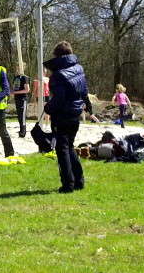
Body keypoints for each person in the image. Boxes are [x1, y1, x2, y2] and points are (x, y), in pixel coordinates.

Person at [44, 41, 87, 193]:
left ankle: (68, 184)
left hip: (62, 115)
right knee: (69, 147)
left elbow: (59, 99)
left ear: (57, 56)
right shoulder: (79, 69)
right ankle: (79, 181)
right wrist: (87, 106)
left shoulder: (57, 75)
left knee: (62, 150)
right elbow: (84, 91)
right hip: (75, 113)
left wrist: (48, 108)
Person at [11, 62, 30, 137]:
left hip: (23, 99)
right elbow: (15, 87)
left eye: (20, 67)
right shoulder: (16, 77)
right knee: (19, 115)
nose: (18, 68)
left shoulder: (24, 77)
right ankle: (21, 130)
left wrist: (16, 92)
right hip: (17, 98)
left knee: (22, 116)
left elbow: (27, 90)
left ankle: (23, 132)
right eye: (17, 66)